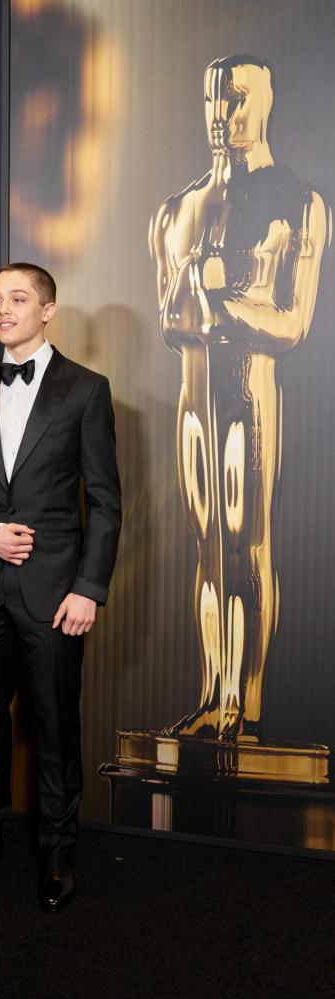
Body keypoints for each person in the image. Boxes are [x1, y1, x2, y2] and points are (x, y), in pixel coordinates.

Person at [0, 263, 121, 911]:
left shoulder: (86, 390)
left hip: (54, 591)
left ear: (47, 310)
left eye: (18, 299)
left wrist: (88, 588)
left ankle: (57, 848)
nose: (2, 309)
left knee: (54, 725)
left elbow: (104, 500)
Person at [151, 56, 327, 745]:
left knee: (244, 541)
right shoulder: (177, 208)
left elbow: (292, 323)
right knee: (204, 546)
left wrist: (213, 300)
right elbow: (168, 319)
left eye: (237, 98)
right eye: (212, 99)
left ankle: (240, 707)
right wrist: (210, 295)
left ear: (267, 101)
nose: (221, 115)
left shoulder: (298, 200)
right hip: (193, 398)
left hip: (249, 392)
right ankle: (209, 695)